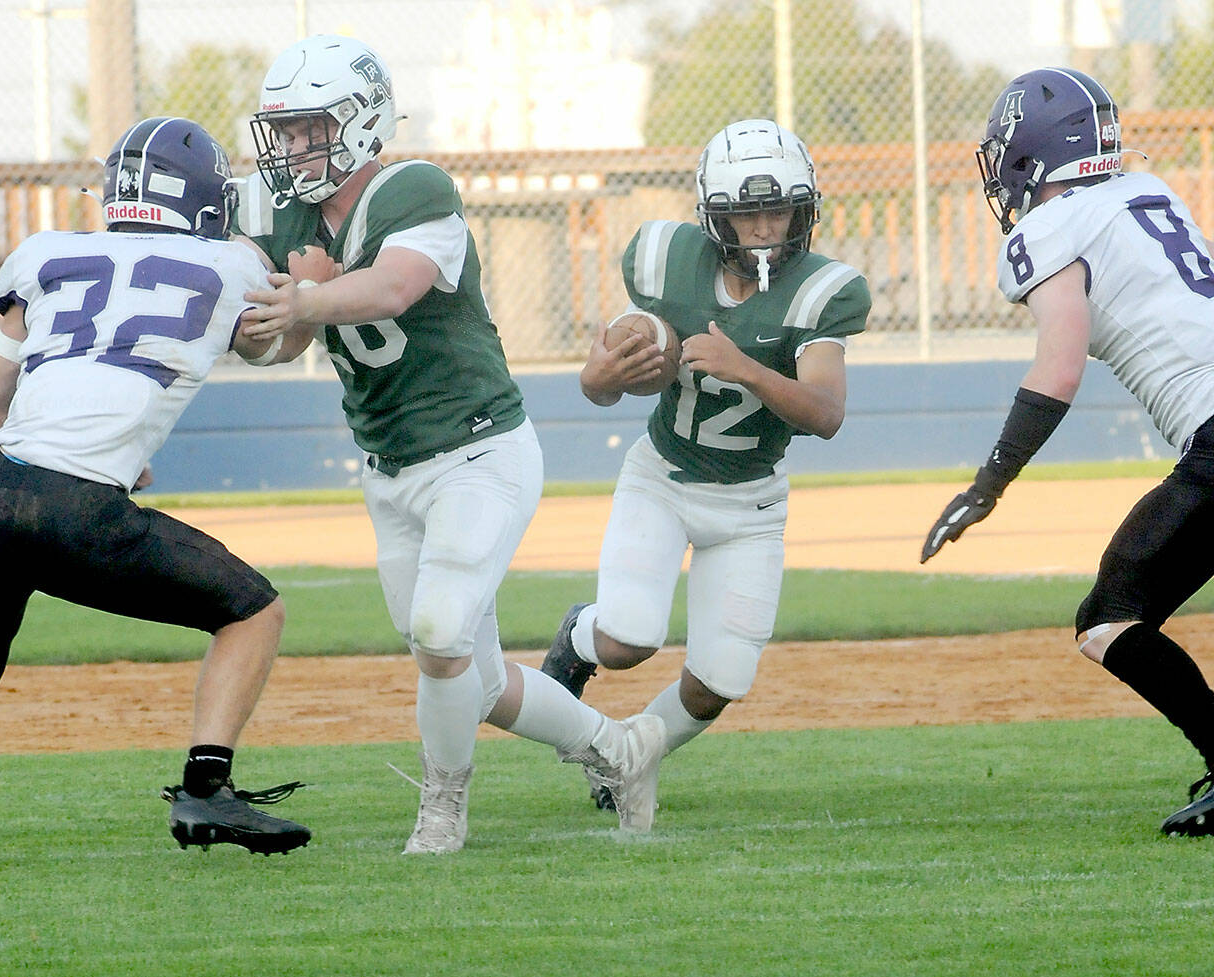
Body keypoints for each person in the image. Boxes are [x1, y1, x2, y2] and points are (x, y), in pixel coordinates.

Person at [235, 34, 666, 853]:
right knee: (478, 677)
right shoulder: (284, 211)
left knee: (438, 634)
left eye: (309, 130)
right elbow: (277, 343)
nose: (293, 149)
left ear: (361, 124)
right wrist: (257, 318)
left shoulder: (414, 189)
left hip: (479, 451)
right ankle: (622, 749)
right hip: (391, 470)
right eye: (284, 132)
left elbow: (392, 286)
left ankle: (443, 808)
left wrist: (305, 295)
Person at [0, 116, 311, 855]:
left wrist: (76, 452)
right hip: (77, 509)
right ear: (202, 198)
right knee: (253, 611)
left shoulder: (47, 254)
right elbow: (274, 346)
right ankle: (207, 794)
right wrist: (308, 300)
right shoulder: (231, 265)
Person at [541, 119, 871, 811]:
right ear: (715, 215)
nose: (763, 227)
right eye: (747, 212)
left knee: (721, 680)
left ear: (804, 208)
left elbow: (826, 413)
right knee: (627, 637)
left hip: (750, 506)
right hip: (661, 480)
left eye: (776, 208)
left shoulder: (821, 290)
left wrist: (745, 368)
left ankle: (631, 752)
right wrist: (598, 373)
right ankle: (577, 637)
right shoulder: (668, 260)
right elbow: (602, 386)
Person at [919, 67, 1214, 838]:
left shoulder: (1049, 228)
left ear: (1026, 157)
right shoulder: (1151, 193)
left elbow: (1059, 364)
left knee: (1109, 619)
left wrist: (989, 484)